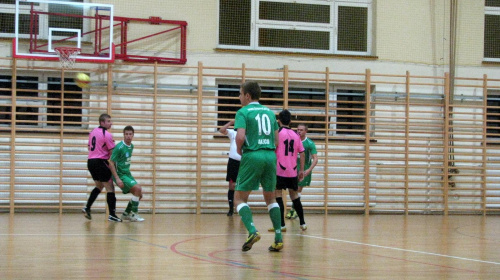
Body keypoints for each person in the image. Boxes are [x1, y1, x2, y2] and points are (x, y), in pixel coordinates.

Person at [234, 81, 283, 252]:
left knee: (239, 198)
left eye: (240, 94)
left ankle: (252, 231)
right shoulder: (269, 113)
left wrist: (240, 150)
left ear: (247, 95)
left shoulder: (243, 112)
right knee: (271, 198)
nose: (239, 97)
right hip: (270, 155)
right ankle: (278, 237)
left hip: (252, 154)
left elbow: (240, 136)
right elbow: (277, 140)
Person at [268, 110, 307, 232]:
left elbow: (272, 150)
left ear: (278, 121)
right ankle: (302, 223)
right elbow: (302, 153)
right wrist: (301, 170)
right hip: (292, 170)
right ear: (290, 121)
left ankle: (282, 225)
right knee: (294, 196)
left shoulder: (277, 134)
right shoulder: (296, 135)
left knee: (277, 194)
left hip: (280, 169)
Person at [83, 113, 122, 222]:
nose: (111, 123)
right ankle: (112, 214)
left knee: (99, 186)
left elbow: (89, 148)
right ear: (102, 122)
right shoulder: (107, 135)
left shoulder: (92, 132)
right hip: (100, 162)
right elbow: (112, 154)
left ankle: (87, 207)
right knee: (110, 188)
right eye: (108, 121)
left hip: (90, 162)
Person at [109, 125, 145, 222]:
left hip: (127, 173)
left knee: (139, 194)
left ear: (133, 135)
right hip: (120, 175)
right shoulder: (119, 147)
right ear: (123, 135)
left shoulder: (131, 146)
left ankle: (125, 214)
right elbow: (111, 162)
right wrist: (117, 178)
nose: (128, 136)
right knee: (138, 188)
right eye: (126, 134)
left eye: (130, 134)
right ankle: (134, 214)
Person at [286, 123, 318, 220]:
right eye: (298, 129)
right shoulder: (293, 140)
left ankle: (293, 210)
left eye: (301, 130)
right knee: (293, 190)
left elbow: (315, 159)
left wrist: (308, 170)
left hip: (303, 170)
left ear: (306, 131)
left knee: (297, 190)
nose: (299, 131)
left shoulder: (309, 143)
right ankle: (294, 209)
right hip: (293, 169)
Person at [218, 120, 241, 216]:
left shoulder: (248, 134)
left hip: (244, 162)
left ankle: (241, 208)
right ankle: (231, 209)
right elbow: (221, 130)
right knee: (232, 186)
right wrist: (231, 123)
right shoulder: (233, 133)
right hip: (233, 162)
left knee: (242, 187)